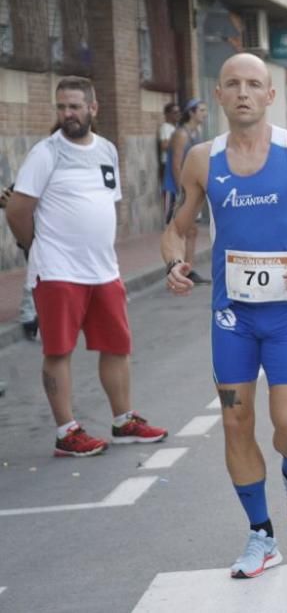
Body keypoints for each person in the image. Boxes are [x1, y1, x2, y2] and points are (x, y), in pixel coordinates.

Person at [162, 53, 287, 579]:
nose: (243, 92)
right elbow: (176, 226)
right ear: (219, 95)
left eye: (254, 84)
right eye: (232, 84)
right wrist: (175, 263)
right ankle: (261, 536)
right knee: (234, 421)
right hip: (232, 318)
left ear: (271, 95)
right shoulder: (202, 158)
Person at [5, 76, 169, 457]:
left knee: (116, 345)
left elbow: (105, 202)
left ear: (93, 109)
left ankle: (123, 421)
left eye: (75, 106)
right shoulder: (46, 153)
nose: (67, 114)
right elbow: (17, 210)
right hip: (59, 271)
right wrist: (33, 246)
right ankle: (67, 432)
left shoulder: (107, 150)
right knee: (58, 350)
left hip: (103, 270)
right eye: (61, 107)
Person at [167, 98, 211, 284]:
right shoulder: (181, 134)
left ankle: (188, 268)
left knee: (192, 231)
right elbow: (177, 165)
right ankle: (175, 269)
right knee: (178, 229)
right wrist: (181, 192)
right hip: (177, 188)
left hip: (193, 189)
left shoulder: (196, 133)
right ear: (191, 112)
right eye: (201, 110)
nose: (204, 113)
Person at [1, 186, 38, 340]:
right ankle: (29, 315)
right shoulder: (25, 182)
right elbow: (5, 200)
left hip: (43, 233)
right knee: (35, 271)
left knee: (38, 272)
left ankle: (31, 313)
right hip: (32, 234)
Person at [159, 102, 180, 187]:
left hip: (175, 162)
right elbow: (164, 146)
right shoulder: (165, 127)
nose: (178, 114)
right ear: (167, 114)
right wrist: (179, 144)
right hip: (168, 163)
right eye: (175, 112)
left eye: (179, 112)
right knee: (169, 192)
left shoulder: (176, 127)